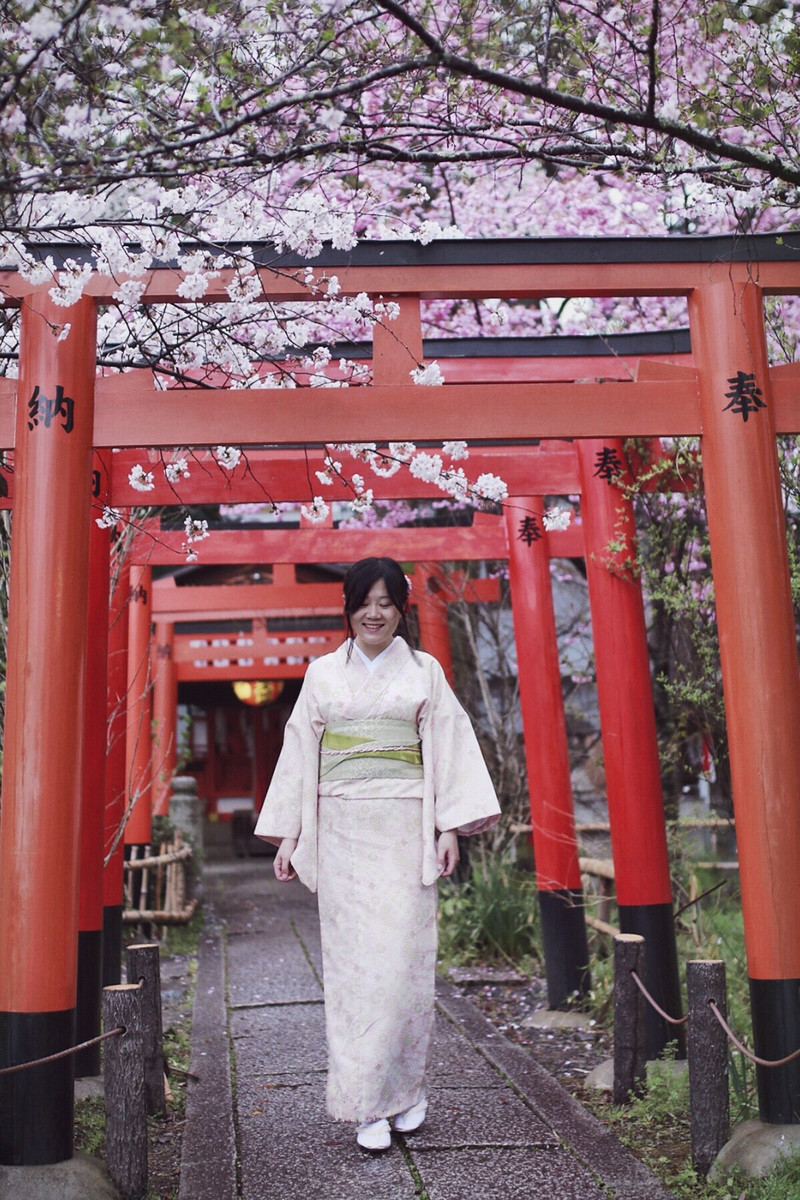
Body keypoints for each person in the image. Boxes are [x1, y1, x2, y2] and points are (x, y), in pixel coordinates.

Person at [255, 556, 500, 1152]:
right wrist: (289, 834)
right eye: (365, 602)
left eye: (387, 603)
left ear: (401, 610)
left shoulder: (425, 671)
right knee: (354, 973)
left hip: (403, 828)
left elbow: (448, 746)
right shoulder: (320, 675)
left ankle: (407, 1092)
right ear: (349, 607)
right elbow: (298, 755)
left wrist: (448, 827)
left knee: (405, 968)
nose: (374, 613)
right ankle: (367, 1103)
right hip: (341, 834)